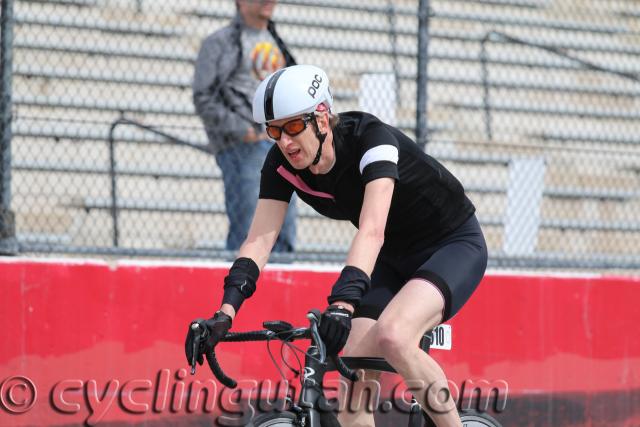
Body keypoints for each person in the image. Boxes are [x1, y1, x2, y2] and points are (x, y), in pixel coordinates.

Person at [186, 65, 488, 427]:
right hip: (392, 255)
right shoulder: (282, 163)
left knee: (393, 335)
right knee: (355, 368)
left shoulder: (372, 141)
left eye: (294, 126)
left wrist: (343, 304)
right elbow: (259, 240)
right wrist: (225, 313)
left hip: (450, 244)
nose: (284, 141)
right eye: (274, 130)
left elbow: (372, 230)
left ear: (323, 118)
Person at [192, 0, 297, 252]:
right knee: (249, 233)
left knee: (284, 231)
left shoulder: (276, 39)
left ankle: (280, 289)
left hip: (282, 147)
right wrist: (243, 131)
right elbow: (203, 97)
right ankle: (240, 288)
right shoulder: (218, 42)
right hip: (244, 148)